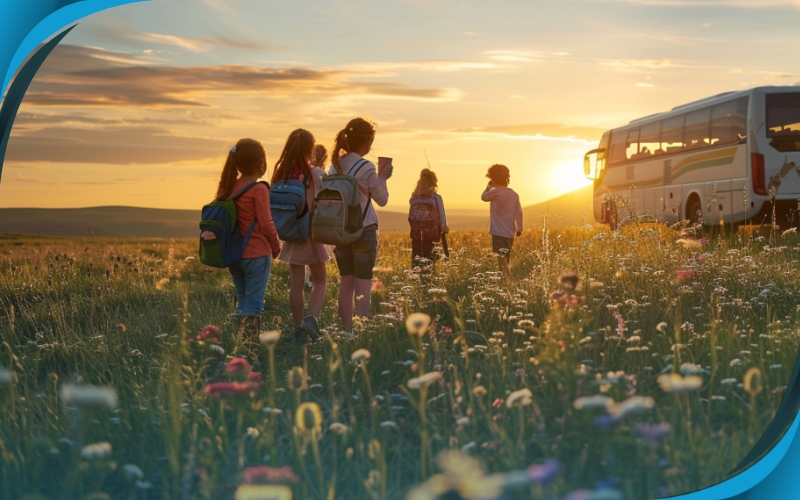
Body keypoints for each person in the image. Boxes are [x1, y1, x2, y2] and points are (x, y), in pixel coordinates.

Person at [210, 138, 281, 337]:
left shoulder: (228, 187)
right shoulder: (259, 189)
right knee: (254, 302)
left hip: (234, 255)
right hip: (257, 254)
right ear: (262, 164)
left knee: (242, 299)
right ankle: (249, 348)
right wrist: (275, 247)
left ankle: (237, 342)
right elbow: (267, 224)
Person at [330, 117, 392, 334]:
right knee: (363, 284)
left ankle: (346, 330)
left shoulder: (334, 166)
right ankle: (364, 330)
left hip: (340, 230)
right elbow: (382, 199)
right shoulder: (365, 167)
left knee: (345, 282)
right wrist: (383, 177)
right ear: (367, 141)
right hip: (364, 230)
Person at [271, 129, 329, 342]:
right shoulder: (314, 173)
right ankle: (310, 321)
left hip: (291, 233)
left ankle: (298, 326)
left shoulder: (282, 174)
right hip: (311, 233)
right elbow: (326, 201)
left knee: (296, 283)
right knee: (321, 281)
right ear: (310, 149)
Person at [481, 164, 522, 280]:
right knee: (506, 258)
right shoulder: (514, 195)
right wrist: (520, 227)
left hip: (497, 232)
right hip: (510, 233)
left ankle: (509, 280)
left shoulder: (494, 192)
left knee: (500, 259)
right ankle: (506, 280)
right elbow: (518, 212)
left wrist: (488, 187)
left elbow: (483, 197)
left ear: (492, 179)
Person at [409, 168, 448, 266]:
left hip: (416, 233)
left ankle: (416, 276)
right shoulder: (436, 197)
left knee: (416, 256)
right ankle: (429, 278)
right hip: (432, 233)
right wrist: (444, 228)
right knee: (431, 257)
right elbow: (442, 217)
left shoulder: (414, 197)